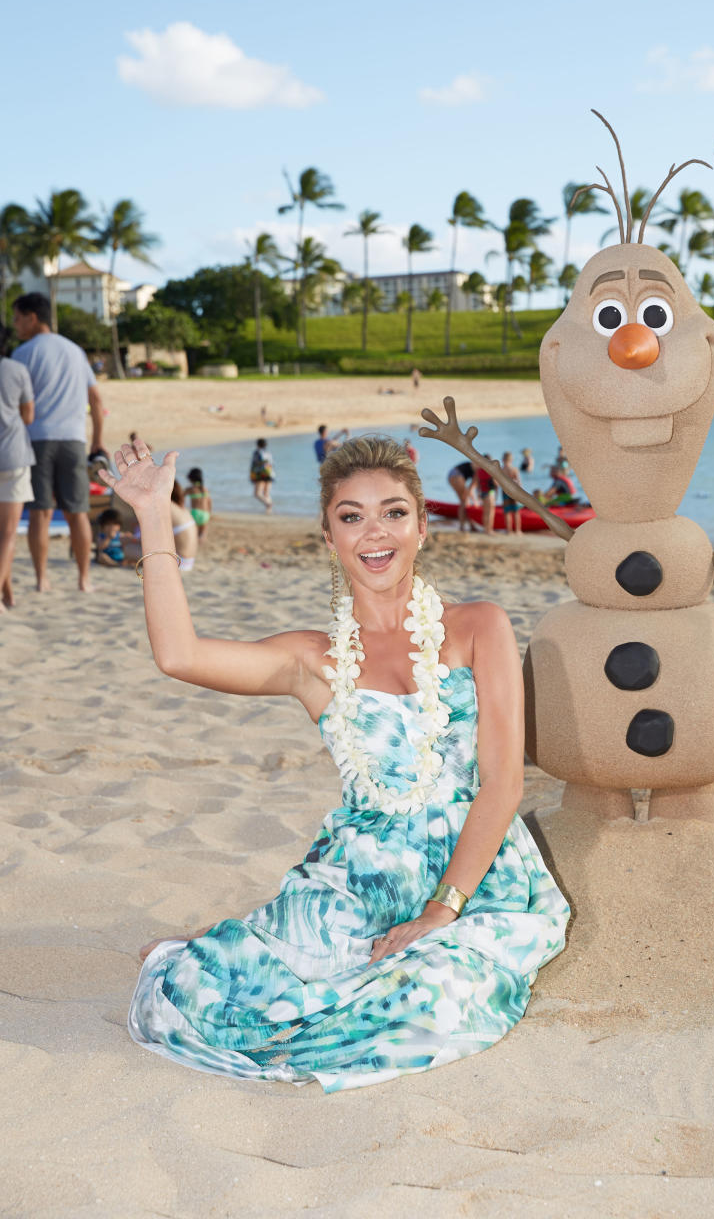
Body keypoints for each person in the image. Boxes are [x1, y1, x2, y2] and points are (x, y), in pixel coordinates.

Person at [103, 433, 569, 1089]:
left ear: (422, 525)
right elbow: (179, 654)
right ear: (329, 536)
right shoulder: (312, 660)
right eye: (351, 516)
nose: (374, 533)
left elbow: (503, 782)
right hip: (358, 877)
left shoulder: (477, 627)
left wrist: (442, 909)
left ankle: (252, 942)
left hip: (477, 875)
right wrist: (154, 512)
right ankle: (206, 948)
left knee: (437, 996)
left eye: (394, 512)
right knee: (193, 987)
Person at [12, 292, 105, 593]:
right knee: (78, 511)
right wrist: (97, 440)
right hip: (73, 439)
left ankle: (42, 579)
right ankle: (85, 579)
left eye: (17, 318)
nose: (15, 326)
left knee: (40, 511)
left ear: (32, 317)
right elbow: (96, 398)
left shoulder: (23, 353)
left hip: (36, 438)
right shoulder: (75, 351)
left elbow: (17, 404)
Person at [0, 324, 36, 609]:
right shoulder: (15, 369)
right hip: (12, 454)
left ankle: (7, 591)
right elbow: (28, 416)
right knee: (8, 533)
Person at [170, 481, 199, 572]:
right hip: (189, 562)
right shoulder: (182, 509)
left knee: (127, 547)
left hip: (178, 562)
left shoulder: (167, 506)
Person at [446, 459, 476, 531]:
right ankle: (467, 526)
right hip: (457, 475)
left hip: (452, 474)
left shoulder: (475, 465)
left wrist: (473, 499)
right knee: (465, 502)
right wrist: (475, 501)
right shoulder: (479, 470)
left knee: (464, 501)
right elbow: (471, 488)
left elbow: (470, 489)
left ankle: (466, 526)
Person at [184, 467, 212, 544]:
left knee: (194, 533)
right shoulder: (205, 489)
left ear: (190, 478)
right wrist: (209, 514)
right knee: (202, 533)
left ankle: (194, 545)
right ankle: (201, 542)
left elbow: (180, 498)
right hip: (205, 514)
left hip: (195, 513)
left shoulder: (190, 489)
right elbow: (209, 502)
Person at [500, 452, 522, 536]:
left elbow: (499, 482)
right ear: (511, 460)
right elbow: (519, 483)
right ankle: (518, 530)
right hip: (514, 491)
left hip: (505, 491)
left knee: (507, 511)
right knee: (516, 511)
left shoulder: (501, 469)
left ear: (503, 459)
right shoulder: (514, 469)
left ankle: (509, 531)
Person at [250, 438, 274, 511]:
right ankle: (269, 509)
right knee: (266, 493)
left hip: (260, 475)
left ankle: (268, 505)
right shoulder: (268, 453)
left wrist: (252, 476)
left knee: (257, 494)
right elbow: (272, 464)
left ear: (257, 444)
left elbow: (254, 465)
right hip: (270, 473)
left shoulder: (256, 453)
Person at [476, 466, 497, 535]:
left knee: (485, 512)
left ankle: (485, 529)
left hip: (482, 492)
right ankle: (489, 530)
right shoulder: (490, 470)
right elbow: (495, 483)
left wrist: (478, 494)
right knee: (491, 512)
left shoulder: (479, 471)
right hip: (490, 492)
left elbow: (478, 483)